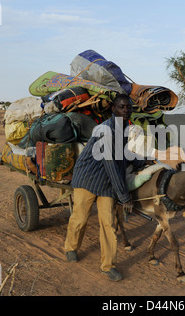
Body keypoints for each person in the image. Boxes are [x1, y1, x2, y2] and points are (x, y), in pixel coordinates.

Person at [64, 93, 147, 281]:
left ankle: (108, 265)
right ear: (113, 109)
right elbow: (110, 164)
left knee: (109, 224)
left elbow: (123, 155)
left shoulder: (124, 129)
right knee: (80, 217)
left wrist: (142, 162)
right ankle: (70, 247)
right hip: (88, 178)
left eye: (129, 107)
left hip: (107, 184)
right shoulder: (105, 130)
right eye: (122, 107)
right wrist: (124, 196)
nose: (126, 110)